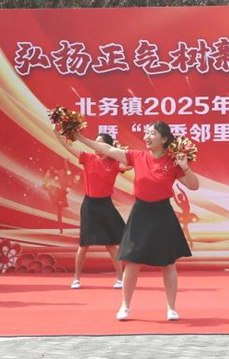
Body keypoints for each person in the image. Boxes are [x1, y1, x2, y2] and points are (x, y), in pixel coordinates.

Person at [76, 122, 199, 321]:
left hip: (162, 214)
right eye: (147, 133)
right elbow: (107, 149)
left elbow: (193, 186)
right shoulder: (137, 156)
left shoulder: (172, 162)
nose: (147, 136)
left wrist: (185, 167)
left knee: (168, 263)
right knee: (132, 261)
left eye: (153, 133)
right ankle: (125, 306)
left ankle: (171, 308)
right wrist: (80, 138)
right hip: (141, 212)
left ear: (164, 139)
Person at [55, 132, 128, 289]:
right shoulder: (88, 158)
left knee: (111, 245)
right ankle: (76, 278)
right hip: (90, 205)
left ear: (107, 146)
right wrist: (56, 132)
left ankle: (120, 278)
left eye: (99, 143)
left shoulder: (115, 163)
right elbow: (67, 146)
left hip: (106, 205)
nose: (95, 146)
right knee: (84, 245)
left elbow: (128, 165)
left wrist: (120, 152)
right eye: (95, 142)